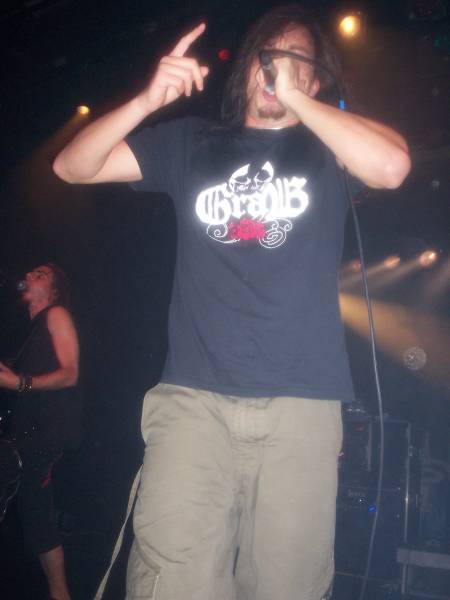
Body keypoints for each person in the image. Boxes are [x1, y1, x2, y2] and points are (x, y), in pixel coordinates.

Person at [53, 4, 411, 600]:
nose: (279, 69)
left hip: (301, 406)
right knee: (172, 580)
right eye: (269, 57)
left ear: (315, 80)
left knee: (288, 586)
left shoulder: (328, 149)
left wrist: (295, 99)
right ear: (245, 66)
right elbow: (71, 167)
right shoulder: (190, 142)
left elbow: (393, 166)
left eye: (298, 62)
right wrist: (145, 101)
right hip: (194, 403)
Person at [0, 263, 80, 600]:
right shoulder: (29, 331)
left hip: (40, 434)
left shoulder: (56, 314)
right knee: (37, 520)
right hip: (23, 435)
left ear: (54, 292)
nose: (30, 276)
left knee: (37, 518)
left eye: (41, 275)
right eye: (31, 272)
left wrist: (20, 383)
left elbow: (70, 374)